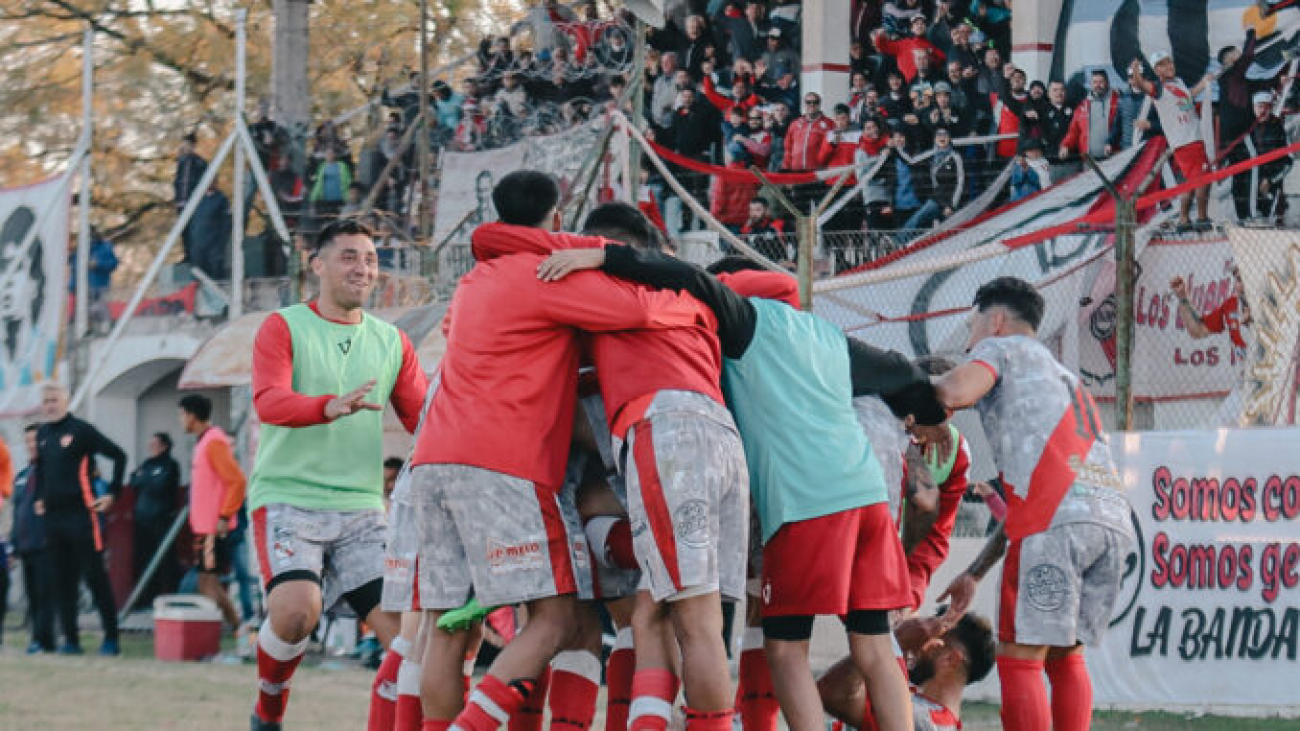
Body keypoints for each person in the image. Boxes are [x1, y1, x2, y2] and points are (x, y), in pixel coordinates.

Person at [535, 249, 950, 731]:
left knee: (786, 647)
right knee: (874, 644)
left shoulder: (750, 322)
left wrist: (601, 256)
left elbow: (686, 274)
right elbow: (903, 370)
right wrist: (934, 416)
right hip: (868, 499)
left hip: (805, 503)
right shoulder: (827, 336)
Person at [406, 171, 710, 731]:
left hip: (432, 461)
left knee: (446, 627)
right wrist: (701, 310)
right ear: (559, 218)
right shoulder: (546, 273)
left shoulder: (475, 281)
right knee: (558, 620)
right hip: (504, 463)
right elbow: (641, 312)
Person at [475, 201, 750, 731]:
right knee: (665, 616)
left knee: (665, 619)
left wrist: (592, 258)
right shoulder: (694, 294)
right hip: (721, 438)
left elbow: (493, 242)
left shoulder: (601, 292)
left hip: (660, 436)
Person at [246, 217, 429, 731]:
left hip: (362, 507)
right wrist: (326, 407)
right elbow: (270, 400)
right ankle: (269, 709)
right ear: (318, 265)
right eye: (349, 256)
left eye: (369, 259)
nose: (362, 268)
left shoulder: (393, 341)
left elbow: (427, 419)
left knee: (407, 641)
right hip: (288, 495)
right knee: (296, 612)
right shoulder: (282, 326)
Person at [933, 276, 1135, 731]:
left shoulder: (1000, 349)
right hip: (1108, 517)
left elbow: (953, 392)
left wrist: (908, 388)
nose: (970, 342)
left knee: (1020, 657)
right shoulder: (1065, 376)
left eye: (972, 327)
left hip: (1055, 521)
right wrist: (976, 572)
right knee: (1065, 655)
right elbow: (1040, 492)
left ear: (996, 321)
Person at [31, 382, 127, 656]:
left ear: (66, 400)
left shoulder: (81, 431)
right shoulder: (42, 434)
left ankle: (111, 639)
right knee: (63, 582)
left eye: (54, 399)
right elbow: (42, 471)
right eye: (46, 400)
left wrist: (112, 493)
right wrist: (39, 497)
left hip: (82, 518)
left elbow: (118, 455)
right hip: (54, 521)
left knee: (96, 578)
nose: (50, 405)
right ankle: (70, 640)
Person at [819, 611, 998, 731]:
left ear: (950, 659)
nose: (917, 645)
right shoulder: (933, 717)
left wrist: (893, 641)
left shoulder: (924, 720)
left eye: (927, 639)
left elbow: (833, 694)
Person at [179, 394, 246, 634]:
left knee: (207, 583)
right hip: (204, 527)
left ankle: (237, 628)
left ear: (192, 415)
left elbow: (237, 481)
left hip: (213, 527)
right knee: (207, 581)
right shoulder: (204, 441)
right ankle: (236, 628)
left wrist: (224, 517)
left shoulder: (214, 442)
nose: (181, 420)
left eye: (182, 414)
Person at [1129, 52, 1215, 230]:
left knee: (1192, 181)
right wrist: (1136, 71)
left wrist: (1204, 83)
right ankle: (1201, 218)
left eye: (1170, 62)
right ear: (1157, 70)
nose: (1169, 66)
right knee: (1202, 178)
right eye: (1163, 64)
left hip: (1193, 135)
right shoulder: (1158, 88)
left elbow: (1188, 96)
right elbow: (1140, 84)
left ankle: (1184, 220)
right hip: (1185, 139)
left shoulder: (1178, 82)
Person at [11, 424, 55, 653]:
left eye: (35, 440)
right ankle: (42, 640)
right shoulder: (22, 475)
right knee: (32, 596)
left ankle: (41, 639)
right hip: (25, 545)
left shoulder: (53, 473)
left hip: (46, 544)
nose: (31, 445)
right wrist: (13, 545)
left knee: (44, 594)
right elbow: (17, 510)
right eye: (27, 441)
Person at [129, 432, 182, 607]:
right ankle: (145, 599)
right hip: (142, 521)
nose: (151, 448)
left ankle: (170, 598)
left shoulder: (171, 465)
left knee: (165, 561)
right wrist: (146, 478)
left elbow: (160, 485)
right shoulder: (146, 463)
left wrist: (145, 478)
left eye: (155, 444)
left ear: (164, 446)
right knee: (143, 559)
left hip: (162, 521)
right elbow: (133, 481)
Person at [1170, 266, 1251, 363]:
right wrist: (1183, 298)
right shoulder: (1231, 305)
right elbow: (1198, 330)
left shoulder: (1270, 300)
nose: (1241, 285)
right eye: (1238, 279)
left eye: (1246, 278)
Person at [1060, 69, 1121, 161]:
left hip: (1113, 158)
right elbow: (1073, 131)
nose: (1098, 85)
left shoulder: (1118, 102)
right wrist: (1065, 145)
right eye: (1095, 82)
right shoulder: (1082, 106)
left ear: (1107, 83)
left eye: (1101, 82)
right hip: (1089, 160)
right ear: (1091, 84)